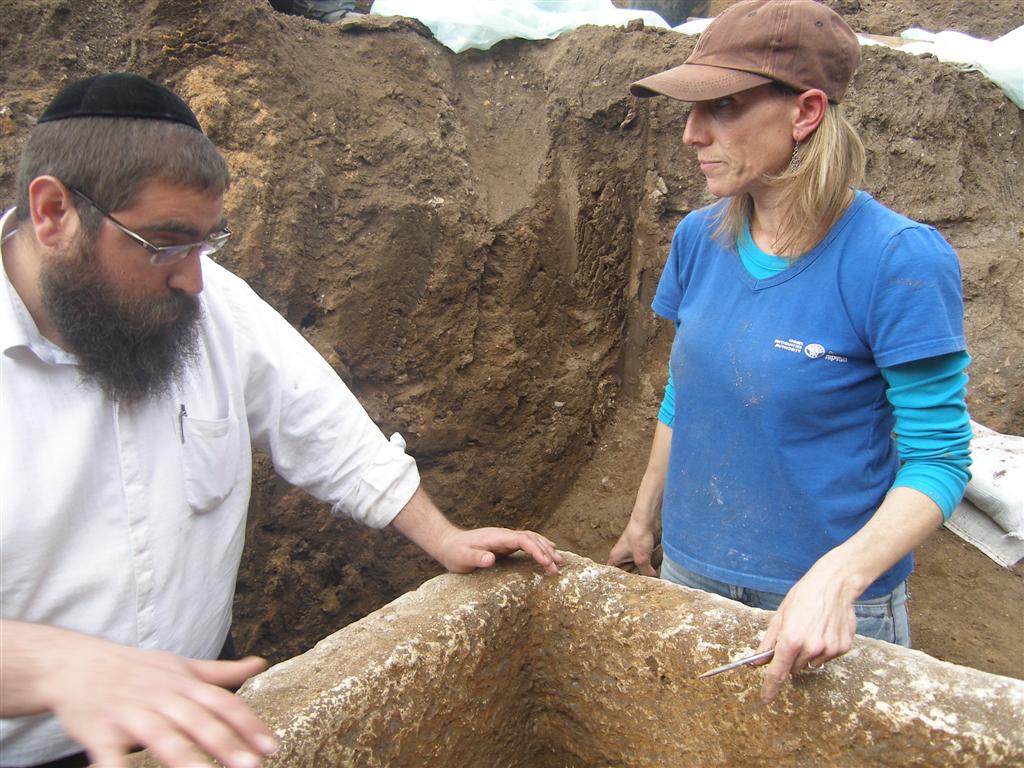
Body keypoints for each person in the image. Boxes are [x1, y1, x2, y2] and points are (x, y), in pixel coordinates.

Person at [0, 72, 563, 768]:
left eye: (207, 245)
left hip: (201, 713)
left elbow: (321, 424)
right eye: (166, 244)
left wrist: (444, 537)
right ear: (54, 212)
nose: (194, 281)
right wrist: (59, 667)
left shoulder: (211, 306)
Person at [608, 0, 971, 704]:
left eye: (722, 106)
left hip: (828, 611)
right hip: (691, 575)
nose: (690, 134)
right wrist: (642, 520)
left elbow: (940, 458)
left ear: (804, 114)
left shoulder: (898, 260)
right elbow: (686, 392)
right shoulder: (698, 239)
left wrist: (837, 580)